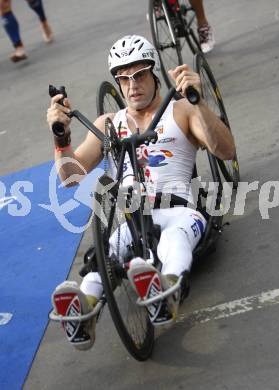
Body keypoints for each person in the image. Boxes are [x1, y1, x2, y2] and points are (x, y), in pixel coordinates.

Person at [47, 35, 235, 350]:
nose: (132, 85)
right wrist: (61, 138)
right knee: (107, 256)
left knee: (175, 237)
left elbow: (225, 150)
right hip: (133, 218)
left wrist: (198, 101)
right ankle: (85, 312)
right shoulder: (108, 123)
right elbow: (69, 177)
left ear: (153, 73)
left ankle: (169, 291)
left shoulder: (180, 111)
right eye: (123, 78)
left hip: (179, 210)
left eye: (139, 75)